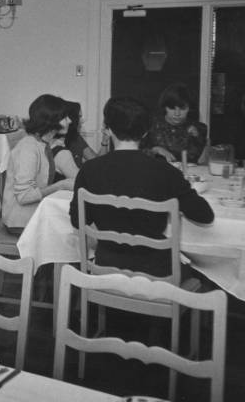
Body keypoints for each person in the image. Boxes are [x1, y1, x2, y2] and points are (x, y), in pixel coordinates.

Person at [70, 96, 214, 277]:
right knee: (205, 274)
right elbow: (205, 216)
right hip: (157, 272)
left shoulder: (89, 170)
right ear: (146, 132)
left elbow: (77, 221)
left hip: (106, 266)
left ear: (108, 129)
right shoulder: (166, 171)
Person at [1, 94, 75, 232]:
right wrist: (61, 185)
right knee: (76, 231)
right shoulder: (28, 148)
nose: (70, 121)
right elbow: (24, 197)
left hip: (32, 216)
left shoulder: (41, 144)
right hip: (20, 222)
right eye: (64, 117)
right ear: (51, 120)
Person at [144, 84, 208, 163]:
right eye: (172, 108)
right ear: (165, 107)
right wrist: (155, 150)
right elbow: (136, 153)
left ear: (190, 108)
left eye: (182, 108)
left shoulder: (199, 128)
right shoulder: (151, 125)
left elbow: (195, 159)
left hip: (188, 173)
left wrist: (196, 138)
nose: (177, 113)